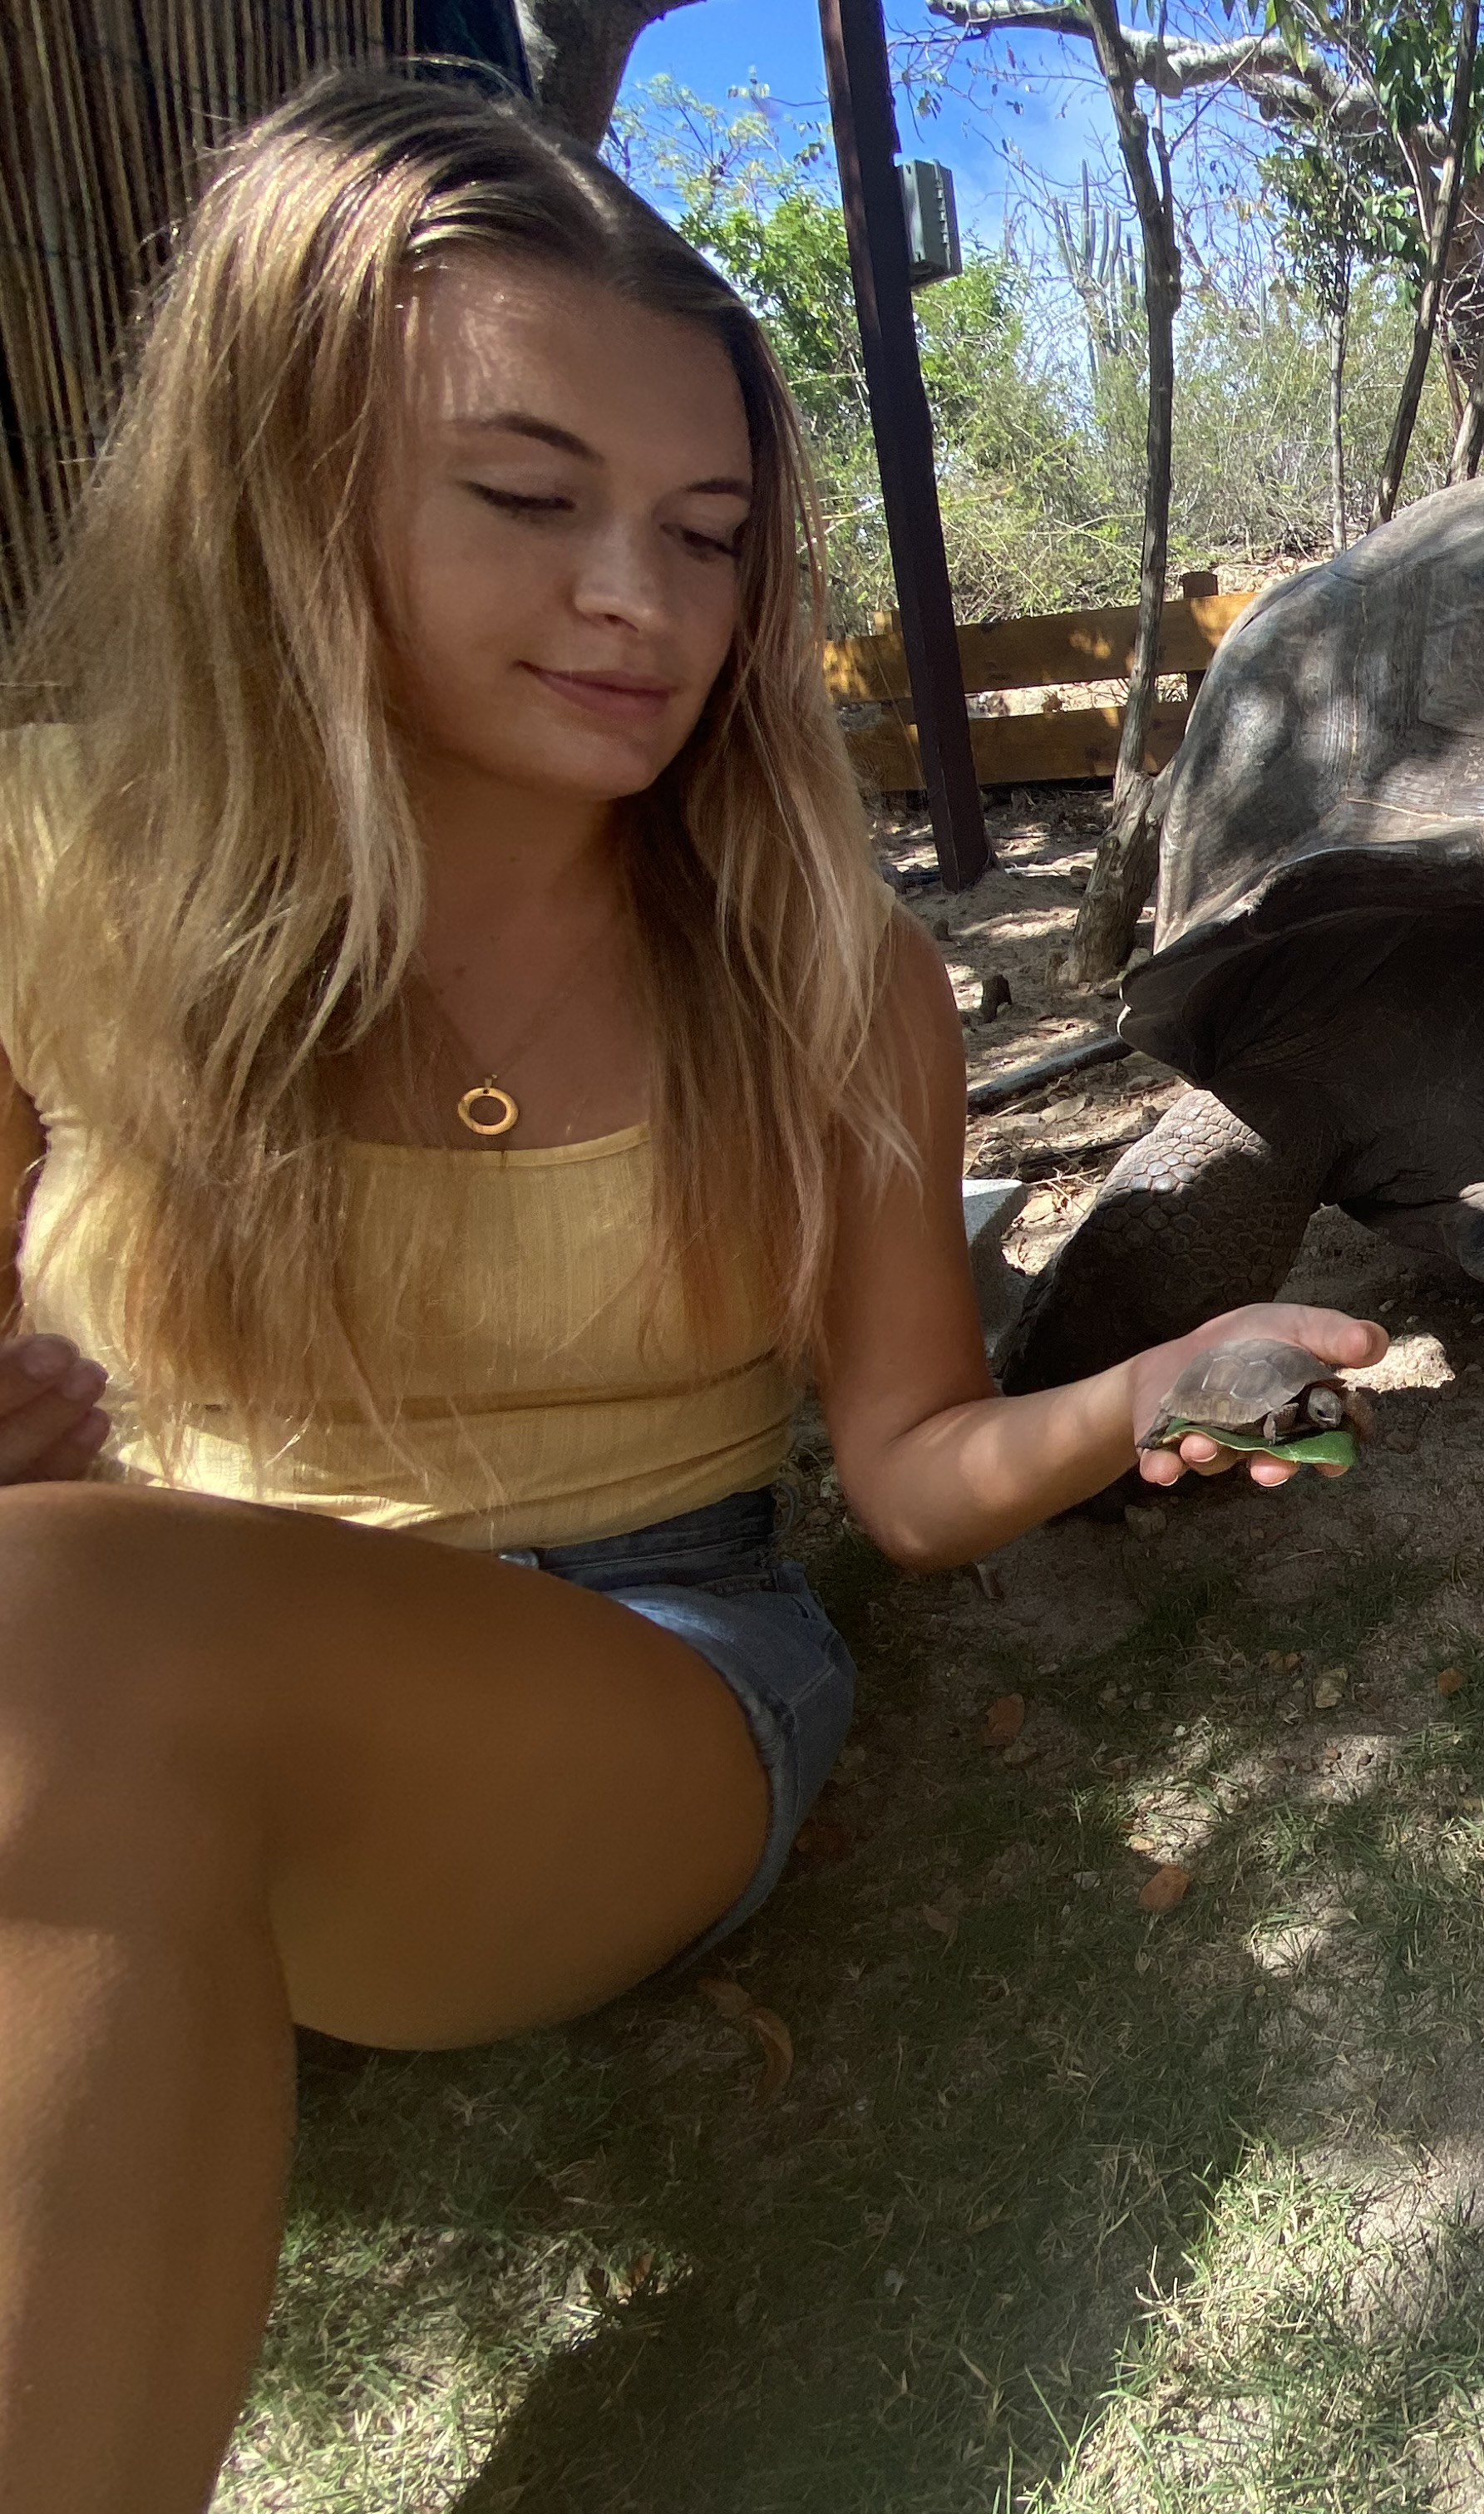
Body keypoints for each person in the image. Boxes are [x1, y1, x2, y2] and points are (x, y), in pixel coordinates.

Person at [0, 73, 1382, 2512]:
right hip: (122, 1662)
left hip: (629, 1677)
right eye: (529, 500)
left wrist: (1141, 1386)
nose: (640, 600)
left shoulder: (825, 978)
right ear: (282, 483)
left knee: (58, 1641)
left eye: (710, 533)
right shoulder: (44, 872)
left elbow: (917, 1469)